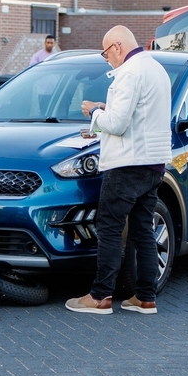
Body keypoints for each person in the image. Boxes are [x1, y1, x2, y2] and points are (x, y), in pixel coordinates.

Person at [65, 25, 171, 315]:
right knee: (143, 229)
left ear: (117, 47)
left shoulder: (128, 73)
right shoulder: (156, 69)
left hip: (126, 163)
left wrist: (95, 113)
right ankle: (145, 297)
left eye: (105, 52)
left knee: (110, 227)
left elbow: (117, 124)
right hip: (154, 163)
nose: (106, 58)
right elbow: (141, 114)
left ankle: (100, 296)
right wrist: (106, 106)